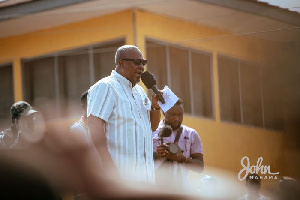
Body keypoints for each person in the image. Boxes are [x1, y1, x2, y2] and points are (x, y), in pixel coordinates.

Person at [87, 45, 161, 183]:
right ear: (121, 63)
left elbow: (152, 127)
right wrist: (107, 165)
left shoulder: (140, 92)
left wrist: (155, 108)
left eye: (143, 63)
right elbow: (94, 124)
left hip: (146, 180)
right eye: (137, 62)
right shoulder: (107, 87)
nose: (141, 67)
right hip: (120, 178)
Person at [152, 99, 204, 190]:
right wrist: (156, 155)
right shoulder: (152, 132)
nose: (177, 119)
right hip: (155, 189)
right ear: (164, 112)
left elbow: (200, 167)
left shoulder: (191, 134)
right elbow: (139, 160)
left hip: (181, 191)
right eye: (173, 114)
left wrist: (182, 159)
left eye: (180, 115)